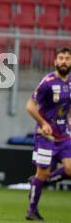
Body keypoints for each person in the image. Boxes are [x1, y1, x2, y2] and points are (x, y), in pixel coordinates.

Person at [25, 47, 71, 221]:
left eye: (67, 58)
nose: (64, 61)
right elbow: (30, 106)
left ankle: (39, 182)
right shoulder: (48, 82)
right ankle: (32, 210)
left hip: (64, 135)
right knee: (42, 173)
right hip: (46, 136)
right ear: (55, 61)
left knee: (70, 169)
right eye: (61, 58)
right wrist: (43, 124)